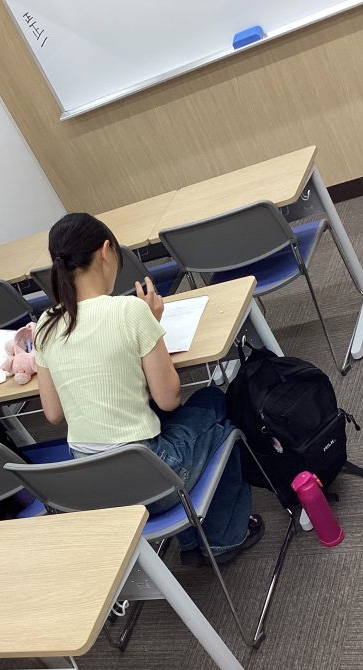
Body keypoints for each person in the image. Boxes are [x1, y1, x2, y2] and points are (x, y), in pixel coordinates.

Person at [34, 212, 262, 564]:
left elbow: (52, 414)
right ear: (106, 251)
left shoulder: (47, 324)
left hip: (93, 488)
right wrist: (151, 324)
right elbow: (169, 399)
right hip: (151, 482)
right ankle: (222, 540)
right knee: (215, 404)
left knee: (166, 417)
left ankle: (191, 540)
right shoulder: (130, 311)